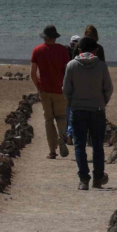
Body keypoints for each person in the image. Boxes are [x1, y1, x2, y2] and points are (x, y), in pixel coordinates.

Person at [62, 36, 113, 189]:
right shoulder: (101, 66)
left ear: (79, 50)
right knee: (97, 145)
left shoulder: (71, 65)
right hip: (97, 110)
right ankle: (98, 178)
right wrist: (103, 102)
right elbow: (108, 89)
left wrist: (72, 102)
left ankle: (84, 179)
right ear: (95, 50)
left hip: (77, 110)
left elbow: (66, 90)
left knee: (79, 145)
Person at [29, 24, 71, 159]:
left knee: (48, 119)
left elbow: (33, 73)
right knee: (61, 116)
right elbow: (68, 71)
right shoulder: (63, 50)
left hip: (45, 89)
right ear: (55, 37)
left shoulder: (37, 50)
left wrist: (38, 87)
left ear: (45, 37)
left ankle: (52, 151)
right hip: (60, 89)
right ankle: (61, 136)